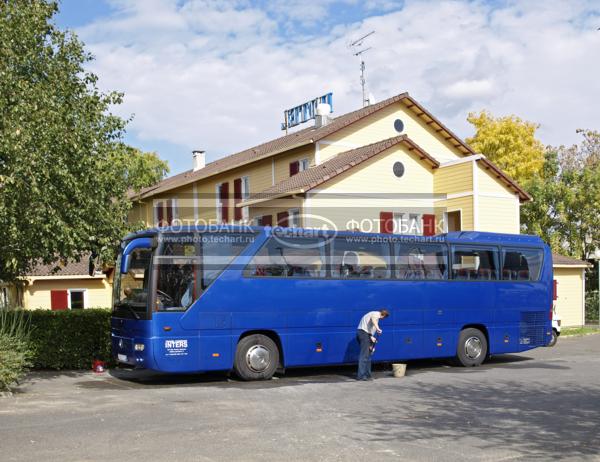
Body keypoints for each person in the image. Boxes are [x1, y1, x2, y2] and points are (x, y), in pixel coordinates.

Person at [356, 309, 390, 380]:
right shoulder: (376, 314)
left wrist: (372, 341)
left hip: (366, 335)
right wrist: (378, 328)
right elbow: (373, 319)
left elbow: (370, 332)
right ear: (383, 315)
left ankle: (368, 375)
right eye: (384, 317)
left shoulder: (375, 319)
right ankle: (361, 376)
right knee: (364, 355)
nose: (383, 319)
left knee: (368, 355)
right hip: (363, 333)